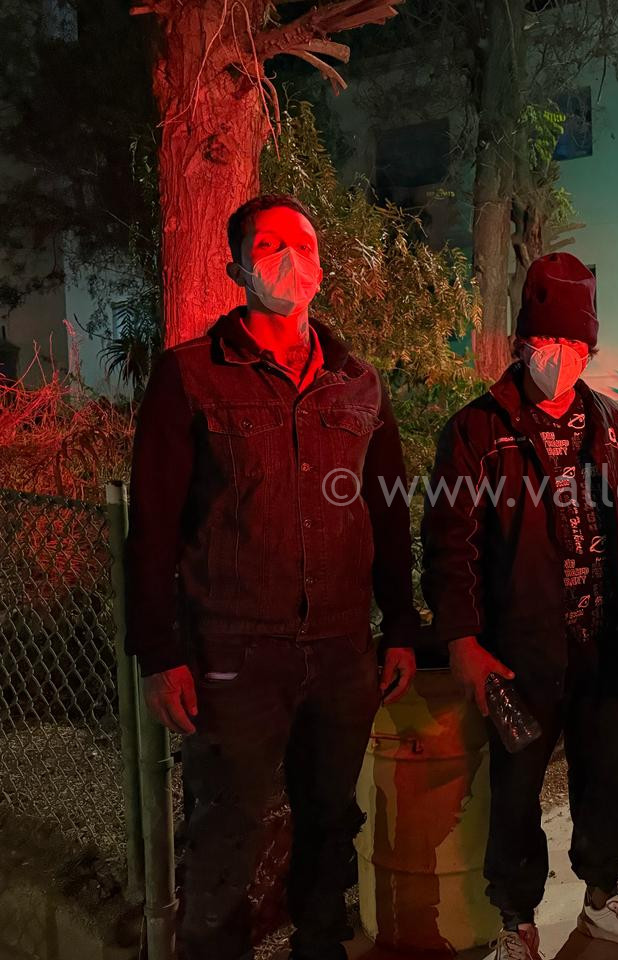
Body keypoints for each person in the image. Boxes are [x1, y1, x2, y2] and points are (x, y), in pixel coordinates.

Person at [125, 194, 420, 960]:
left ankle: (319, 947)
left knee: (331, 828)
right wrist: (158, 652)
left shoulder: (360, 384)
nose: (290, 259)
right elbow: (152, 526)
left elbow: (388, 515)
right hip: (234, 655)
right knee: (226, 836)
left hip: (343, 651)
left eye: (302, 245)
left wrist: (401, 627)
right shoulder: (190, 376)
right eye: (268, 246)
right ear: (236, 268)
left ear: (321, 264)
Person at [422, 252, 618, 960]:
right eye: (546, 339)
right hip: (519, 656)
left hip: (604, 651)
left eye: (572, 342)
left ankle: (602, 897)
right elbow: (449, 547)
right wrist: (463, 642)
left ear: (589, 349)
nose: (558, 354)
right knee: (516, 797)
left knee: (607, 785)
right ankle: (517, 923)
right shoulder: (477, 433)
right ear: (520, 343)